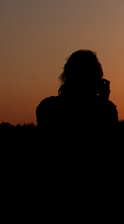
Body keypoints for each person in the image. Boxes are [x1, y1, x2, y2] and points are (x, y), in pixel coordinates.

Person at [36, 50, 119, 200]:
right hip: (93, 187)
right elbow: (109, 149)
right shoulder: (105, 110)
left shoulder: (47, 107)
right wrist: (103, 103)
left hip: (56, 185)